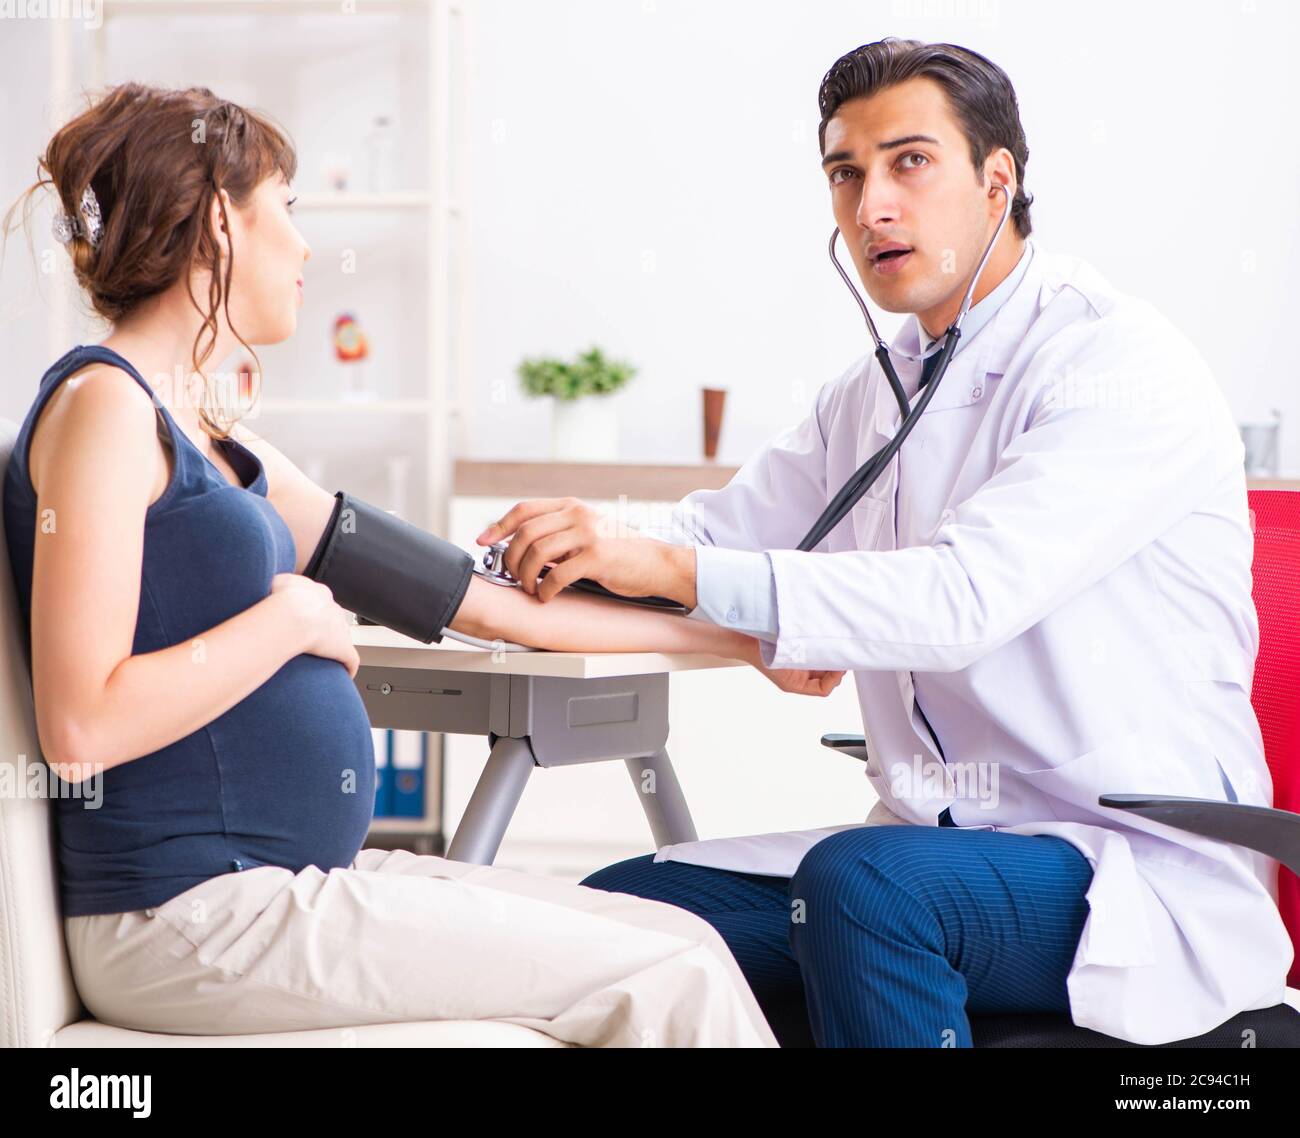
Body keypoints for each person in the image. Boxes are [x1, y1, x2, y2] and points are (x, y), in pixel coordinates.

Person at [481, 38, 1295, 1047]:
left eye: (909, 162)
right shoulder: (871, 394)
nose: (871, 206)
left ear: (999, 180)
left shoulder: (1117, 365)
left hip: (1126, 859)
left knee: (865, 888)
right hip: (934, 844)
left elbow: (962, 600)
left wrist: (673, 567)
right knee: (622, 916)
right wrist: (578, 541)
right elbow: (720, 533)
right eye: (845, 173)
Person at [0, 82, 844, 1047]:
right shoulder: (107, 411)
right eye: (288, 206)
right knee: (670, 978)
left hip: (291, 887)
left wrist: (743, 641)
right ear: (220, 223)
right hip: (195, 917)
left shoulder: (223, 443)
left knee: (682, 939)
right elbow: (79, 727)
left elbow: (490, 607)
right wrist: (291, 622)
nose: (306, 244)